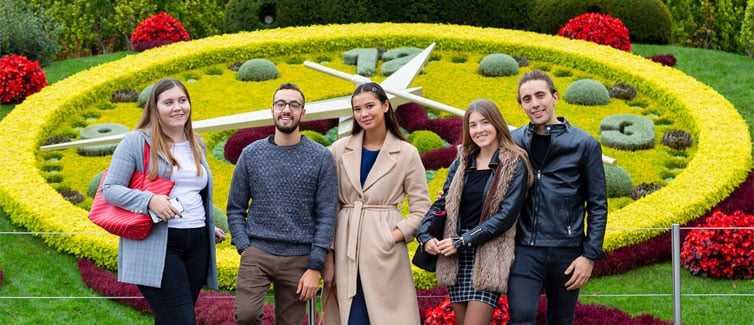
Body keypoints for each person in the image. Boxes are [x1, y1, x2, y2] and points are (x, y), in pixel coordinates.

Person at [101, 77, 226, 324]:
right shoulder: (136, 141)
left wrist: (208, 225)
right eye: (168, 102)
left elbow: (194, 193)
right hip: (159, 244)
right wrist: (149, 201)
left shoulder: (196, 143)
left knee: (170, 318)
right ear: (155, 108)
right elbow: (110, 189)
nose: (177, 107)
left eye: (182, 100)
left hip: (198, 241)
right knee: (182, 320)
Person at [227, 83, 338, 325]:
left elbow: (327, 215)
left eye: (293, 105)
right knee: (246, 315)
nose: (286, 110)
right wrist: (245, 247)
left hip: (299, 256)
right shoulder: (251, 154)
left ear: (303, 112)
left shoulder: (321, 157)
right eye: (281, 104)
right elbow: (235, 208)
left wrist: (315, 267)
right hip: (257, 252)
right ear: (272, 110)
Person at [416, 99, 533, 325]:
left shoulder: (514, 162)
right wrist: (425, 236)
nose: (479, 130)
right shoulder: (462, 162)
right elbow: (443, 203)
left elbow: (506, 216)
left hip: (488, 253)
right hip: (455, 256)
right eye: (473, 125)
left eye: (485, 123)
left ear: (497, 124)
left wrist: (463, 240)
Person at [323, 82, 430, 324]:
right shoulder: (339, 150)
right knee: (351, 317)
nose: (364, 114)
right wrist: (328, 255)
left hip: (385, 251)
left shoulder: (406, 153)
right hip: (345, 247)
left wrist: (394, 235)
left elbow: (422, 208)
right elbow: (328, 205)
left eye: (370, 106)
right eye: (357, 109)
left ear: (385, 106)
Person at [507, 69, 608, 324]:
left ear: (555, 97)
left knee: (561, 321)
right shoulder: (513, 140)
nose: (535, 103)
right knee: (522, 315)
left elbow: (597, 204)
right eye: (527, 99)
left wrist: (589, 256)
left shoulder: (584, 144)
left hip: (568, 252)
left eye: (540, 95)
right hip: (524, 249)